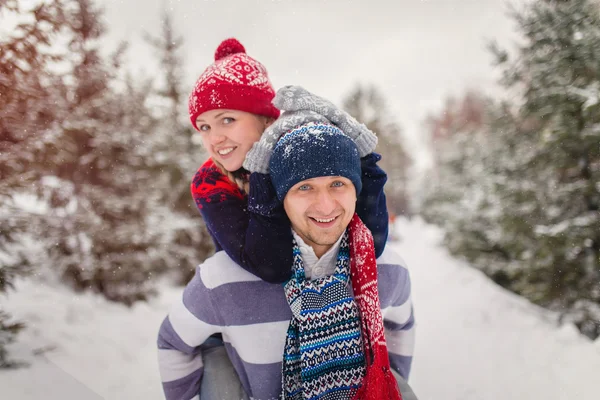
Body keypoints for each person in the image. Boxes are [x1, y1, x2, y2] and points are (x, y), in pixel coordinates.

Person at [157, 114, 416, 399]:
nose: (325, 205)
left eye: (338, 184)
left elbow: (401, 327)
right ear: (280, 198)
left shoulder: (389, 270)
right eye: (304, 187)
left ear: (357, 191)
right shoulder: (223, 280)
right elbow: (173, 342)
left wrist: (393, 381)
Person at [188, 38, 389, 284]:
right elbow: (270, 265)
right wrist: (261, 174)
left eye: (227, 120)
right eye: (204, 127)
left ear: (266, 119)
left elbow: (370, 240)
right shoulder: (209, 183)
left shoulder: (296, 154)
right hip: (252, 304)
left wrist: (362, 152)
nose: (215, 138)